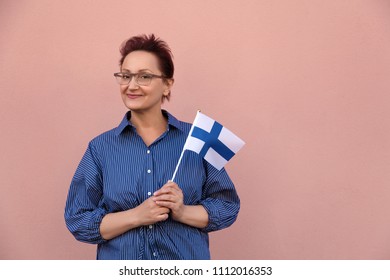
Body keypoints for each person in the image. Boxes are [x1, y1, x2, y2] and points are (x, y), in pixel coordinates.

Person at [64, 34, 240, 260]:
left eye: (144, 76)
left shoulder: (196, 140)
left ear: (167, 85)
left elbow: (227, 206)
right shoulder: (101, 148)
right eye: (125, 76)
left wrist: (182, 211)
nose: (132, 85)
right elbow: (78, 220)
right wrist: (136, 216)